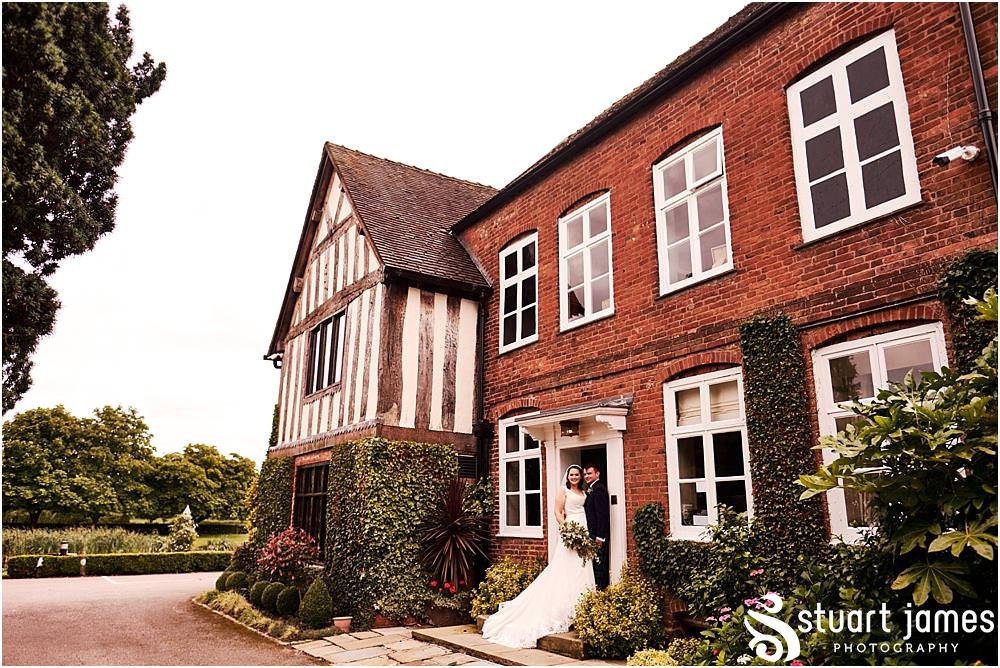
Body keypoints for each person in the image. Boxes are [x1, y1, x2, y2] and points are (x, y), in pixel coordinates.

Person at [480, 465, 596, 648]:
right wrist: (567, 529)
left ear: (581, 476)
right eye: (571, 475)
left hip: (584, 528)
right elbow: (557, 512)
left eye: (577, 474)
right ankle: (563, 608)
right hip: (571, 529)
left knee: (582, 567)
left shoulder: (584, 491)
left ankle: (580, 607)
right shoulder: (563, 490)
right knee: (565, 568)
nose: (574, 477)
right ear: (568, 476)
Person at [583, 464, 610, 591]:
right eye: (585, 474)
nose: (587, 476)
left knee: (600, 566)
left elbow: (602, 515)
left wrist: (600, 537)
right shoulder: (591, 488)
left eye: (589, 473)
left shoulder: (599, 489)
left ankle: (601, 591)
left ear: (597, 474)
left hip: (598, 537)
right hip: (592, 535)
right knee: (594, 565)